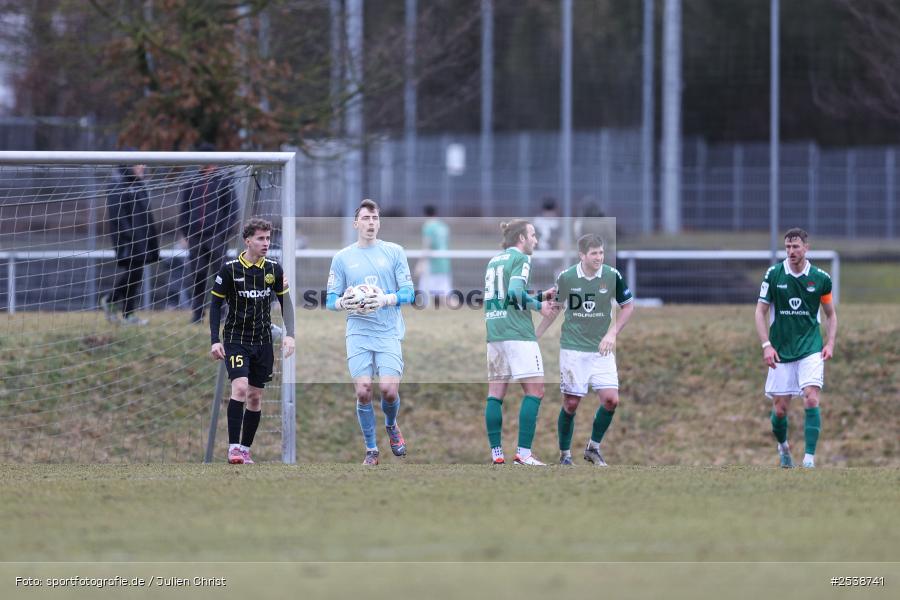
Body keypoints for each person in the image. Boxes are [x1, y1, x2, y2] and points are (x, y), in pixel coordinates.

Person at [326, 199, 416, 466]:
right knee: (364, 390)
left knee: (388, 390)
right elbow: (330, 299)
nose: (371, 223)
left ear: (380, 222)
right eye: (365, 218)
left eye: (375, 218)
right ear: (356, 223)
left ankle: (391, 425)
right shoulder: (342, 258)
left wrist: (385, 299)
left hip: (388, 332)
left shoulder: (394, 252)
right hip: (358, 333)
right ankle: (371, 450)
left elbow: (409, 293)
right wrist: (343, 302)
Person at [535, 234, 634, 466]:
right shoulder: (567, 277)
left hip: (602, 350)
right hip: (573, 349)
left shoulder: (612, 275)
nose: (599, 257)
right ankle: (565, 455)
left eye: (601, 252)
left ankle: (593, 448)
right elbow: (556, 308)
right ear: (582, 255)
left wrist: (612, 333)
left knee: (611, 400)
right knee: (571, 404)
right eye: (594, 253)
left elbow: (628, 306)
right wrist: (536, 335)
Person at [209, 218, 295, 465]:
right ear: (248, 241)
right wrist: (215, 340)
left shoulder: (273, 270)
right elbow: (215, 306)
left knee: (255, 397)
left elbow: (286, 304)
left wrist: (290, 335)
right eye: (260, 238)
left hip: (263, 341)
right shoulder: (230, 269)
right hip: (236, 339)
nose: (266, 243)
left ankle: (245, 450)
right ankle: (233, 448)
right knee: (240, 388)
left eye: (268, 238)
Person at [755, 228, 837, 469]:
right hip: (781, 350)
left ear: (806, 248)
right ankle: (783, 448)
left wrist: (830, 343)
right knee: (780, 410)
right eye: (788, 247)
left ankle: (809, 460)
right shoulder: (774, 275)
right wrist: (766, 345)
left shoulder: (821, 279)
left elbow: (830, 315)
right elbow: (760, 312)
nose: (791, 251)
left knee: (811, 398)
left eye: (796, 247)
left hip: (810, 347)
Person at [483, 219, 556, 466]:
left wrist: (539, 295)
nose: (536, 240)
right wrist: (540, 306)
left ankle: (497, 453)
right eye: (533, 235)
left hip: (495, 332)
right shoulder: (522, 259)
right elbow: (515, 294)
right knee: (535, 391)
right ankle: (523, 454)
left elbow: (507, 298)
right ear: (521, 239)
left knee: (495, 395)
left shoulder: (494, 261)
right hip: (517, 333)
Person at [178, 144, 237, 324]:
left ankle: (224, 314)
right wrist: (186, 234)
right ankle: (197, 315)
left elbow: (232, 211)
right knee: (197, 276)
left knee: (221, 276)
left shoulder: (224, 181)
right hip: (196, 238)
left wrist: (222, 234)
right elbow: (184, 211)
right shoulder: (191, 182)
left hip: (216, 237)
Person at [101, 163, 160, 326]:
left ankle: (128, 314)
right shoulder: (117, 184)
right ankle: (111, 300)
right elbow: (117, 216)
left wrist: (149, 237)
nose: (142, 167)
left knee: (136, 275)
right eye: (138, 164)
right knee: (133, 273)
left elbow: (145, 213)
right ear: (128, 165)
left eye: (143, 164)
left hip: (142, 238)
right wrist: (131, 236)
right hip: (129, 239)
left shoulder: (138, 184)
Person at [415, 204, 452, 305]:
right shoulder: (443, 226)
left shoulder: (428, 226)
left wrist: (420, 264)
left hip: (432, 265)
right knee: (446, 295)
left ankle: (424, 318)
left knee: (424, 295)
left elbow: (426, 246)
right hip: (444, 263)